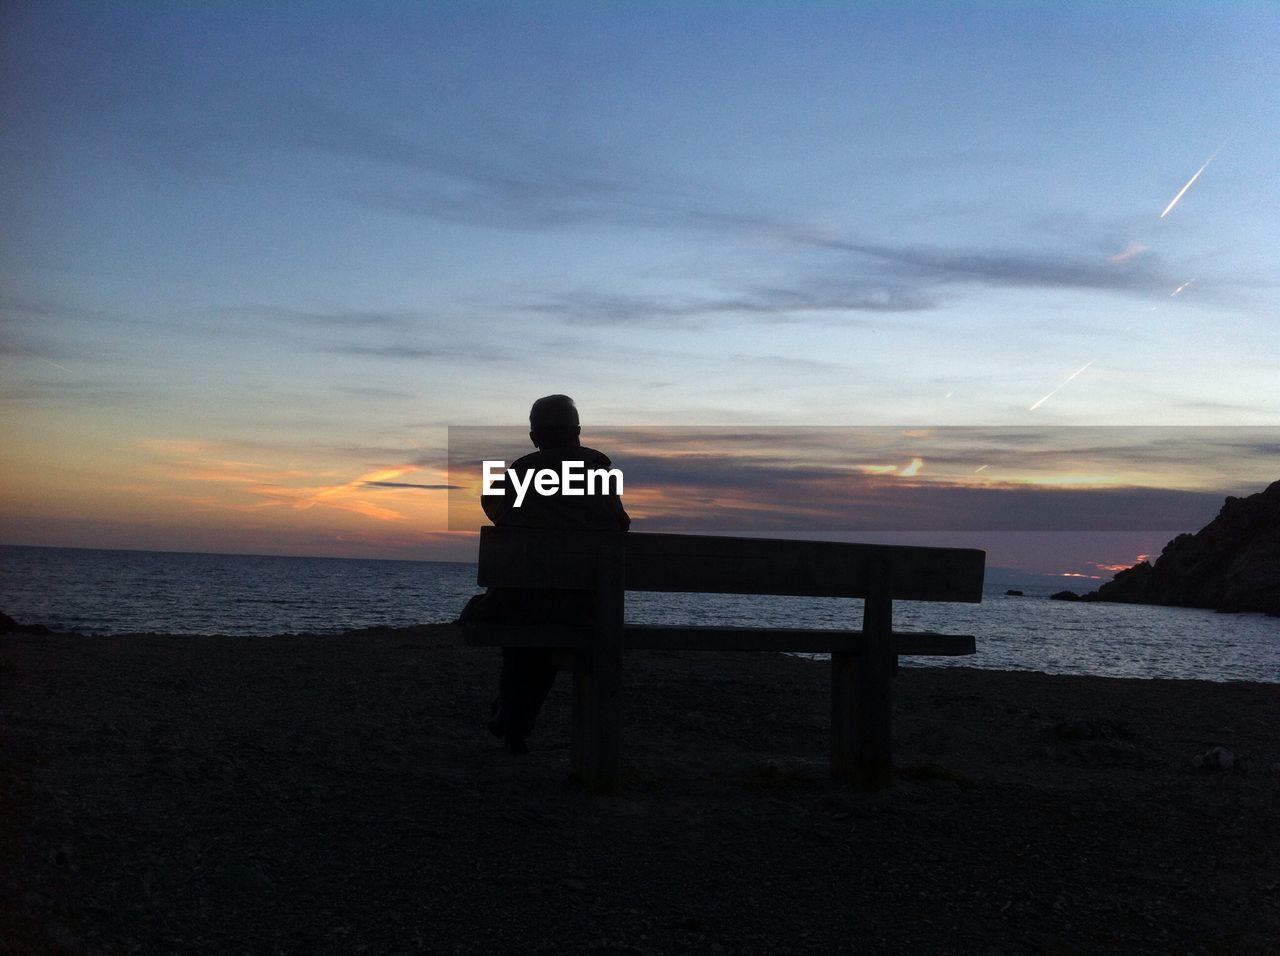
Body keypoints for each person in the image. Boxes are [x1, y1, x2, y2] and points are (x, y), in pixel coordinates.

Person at [460, 395, 630, 754]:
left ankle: (513, 724)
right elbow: (620, 525)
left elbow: (495, 510)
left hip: (524, 603)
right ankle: (512, 723)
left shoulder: (521, 473)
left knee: (523, 630)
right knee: (544, 623)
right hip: (587, 608)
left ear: (535, 436)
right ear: (578, 433)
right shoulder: (602, 474)